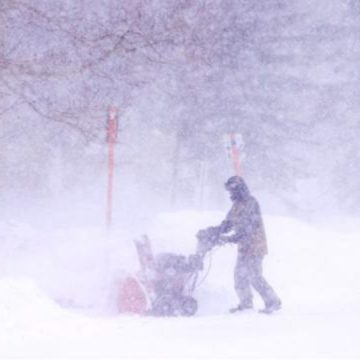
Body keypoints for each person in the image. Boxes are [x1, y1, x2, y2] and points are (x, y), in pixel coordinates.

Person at [200, 176, 281, 314]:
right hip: (244, 247)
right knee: (239, 276)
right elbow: (228, 223)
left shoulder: (251, 203)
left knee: (254, 276)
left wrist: (230, 239)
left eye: (232, 191)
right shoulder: (237, 205)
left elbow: (246, 227)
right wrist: (213, 232)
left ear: (239, 189)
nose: (230, 194)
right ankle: (246, 304)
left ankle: (273, 301)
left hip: (255, 246)